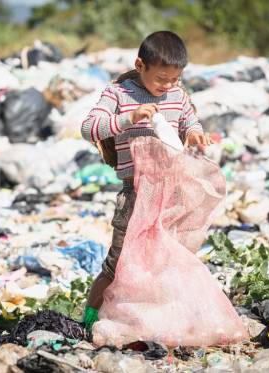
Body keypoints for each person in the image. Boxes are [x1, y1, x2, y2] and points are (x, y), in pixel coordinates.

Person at [80, 31, 213, 331]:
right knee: (118, 262)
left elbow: (189, 121)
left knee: (165, 262)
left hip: (172, 191)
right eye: (161, 79)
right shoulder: (118, 95)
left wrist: (194, 133)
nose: (167, 86)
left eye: (174, 79)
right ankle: (88, 320)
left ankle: (153, 320)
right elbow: (89, 128)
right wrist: (129, 118)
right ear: (140, 65)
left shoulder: (177, 96)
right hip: (136, 192)